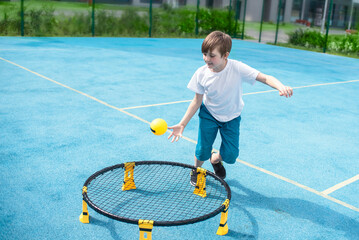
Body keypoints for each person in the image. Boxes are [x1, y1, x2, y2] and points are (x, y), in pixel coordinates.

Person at [168, 31, 293, 185]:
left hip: (232, 116)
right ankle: (196, 169)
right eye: (204, 54)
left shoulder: (237, 68)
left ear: (225, 55)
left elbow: (265, 77)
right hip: (209, 114)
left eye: (212, 55)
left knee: (230, 156)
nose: (207, 59)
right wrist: (182, 124)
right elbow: (196, 101)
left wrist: (280, 86)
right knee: (202, 150)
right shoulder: (201, 73)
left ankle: (215, 159)